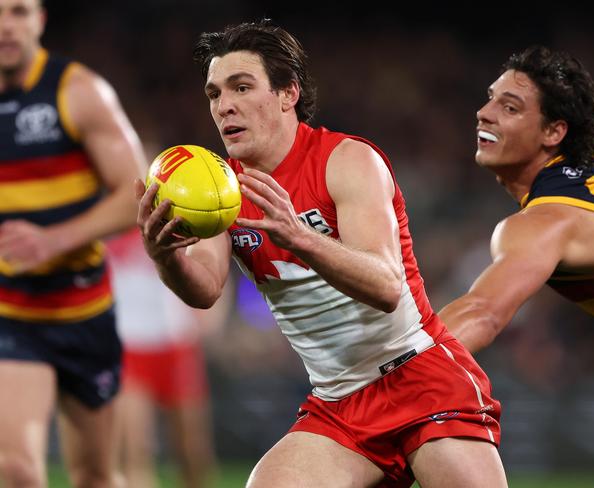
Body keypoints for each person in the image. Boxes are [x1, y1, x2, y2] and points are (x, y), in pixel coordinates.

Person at [136, 20, 507, 488]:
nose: (224, 105)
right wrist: (164, 254)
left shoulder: (347, 160)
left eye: (241, 86)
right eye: (214, 94)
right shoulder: (222, 190)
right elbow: (205, 289)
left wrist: (300, 236)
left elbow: (386, 286)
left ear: (288, 93)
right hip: (339, 405)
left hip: (420, 377)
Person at [0, 0, 145, 486]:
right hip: (13, 313)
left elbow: (137, 195)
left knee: (94, 478)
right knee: (16, 470)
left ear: (39, 20)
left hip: (84, 310)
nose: (6, 26)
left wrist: (53, 240)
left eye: (18, 11)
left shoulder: (78, 90)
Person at [438, 46, 594, 356]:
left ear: (554, 131)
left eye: (509, 108)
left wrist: (387, 381)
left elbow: (481, 313)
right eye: (492, 97)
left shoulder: (547, 223)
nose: (484, 112)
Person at [108, 229, 220, 488]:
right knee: (135, 451)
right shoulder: (107, 223)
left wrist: (208, 317)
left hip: (176, 344)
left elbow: (211, 260)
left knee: (192, 452)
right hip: (128, 346)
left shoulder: (176, 219)